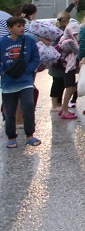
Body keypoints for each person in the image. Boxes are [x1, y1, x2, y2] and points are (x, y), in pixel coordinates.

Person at [1, 17, 42, 148]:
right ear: (10, 28)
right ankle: (11, 137)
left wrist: (29, 70)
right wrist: (2, 72)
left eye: (23, 26)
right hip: (8, 82)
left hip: (25, 81)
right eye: (18, 26)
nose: (22, 28)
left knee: (29, 106)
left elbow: (36, 58)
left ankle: (30, 135)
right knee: (10, 111)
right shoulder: (2, 42)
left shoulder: (28, 40)